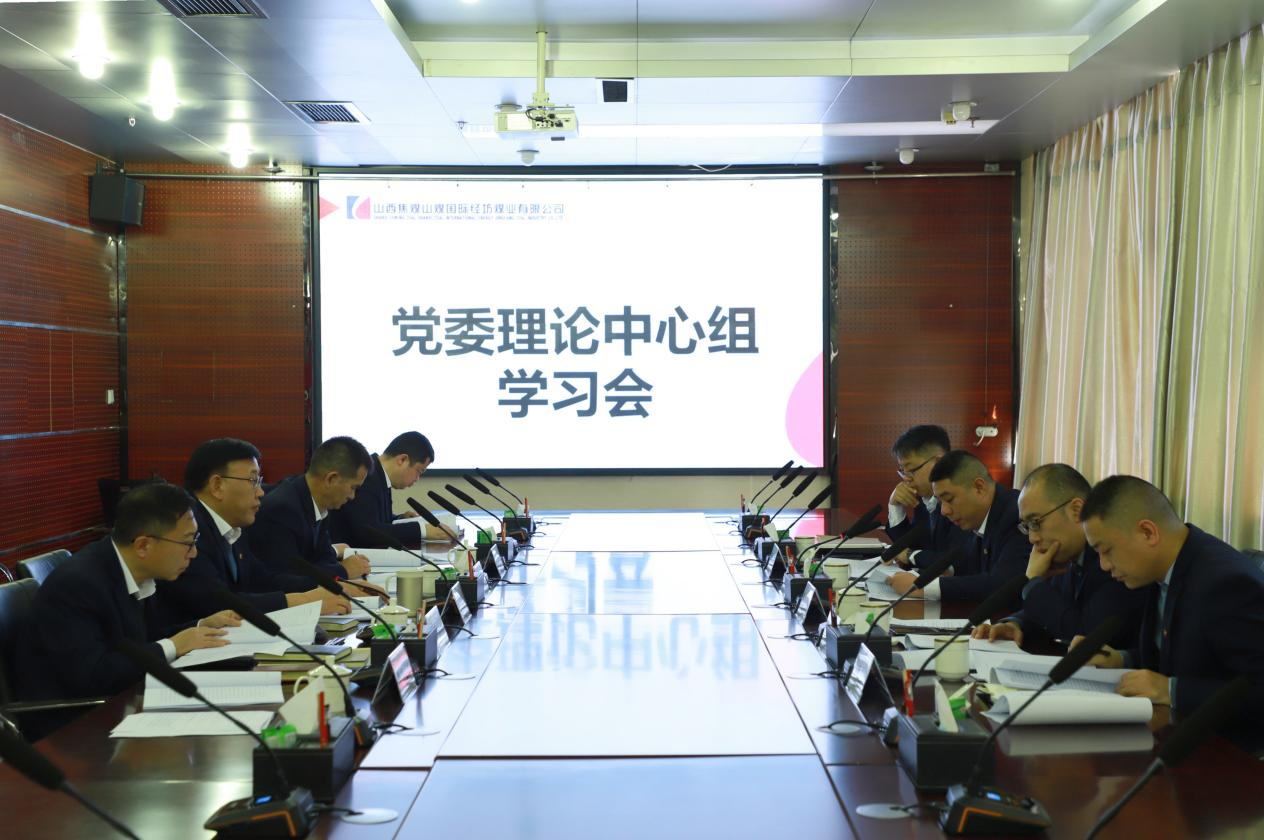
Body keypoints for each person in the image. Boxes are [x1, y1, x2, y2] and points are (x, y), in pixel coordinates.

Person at [16, 483, 238, 736]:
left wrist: (198, 628)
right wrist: (174, 645)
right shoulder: (78, 585)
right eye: (188, 542)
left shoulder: (133, 570)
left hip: (121, 703)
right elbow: (92, 677)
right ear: (143, 545)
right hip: (74, 726)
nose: (194, 553)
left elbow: (142, 640)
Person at [1074, 475, 1264, 752]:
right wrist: (1122, 659)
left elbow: (1258, 687)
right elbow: (1193, 657)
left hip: (1229, 754)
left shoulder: (1224, 583)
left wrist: (1171, 690)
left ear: (1148, 533)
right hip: (1178, 735)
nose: (1103, 565)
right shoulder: (1161, 569)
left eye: (1107, 551)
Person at [153, 438, 352, 630]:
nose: (261, 492)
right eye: (253, 480)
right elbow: (215, 602)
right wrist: (304, 600)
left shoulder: (232, 528)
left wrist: (330, 587)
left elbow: (263, 581)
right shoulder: (187, 531)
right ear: (217, 486)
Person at [972, 464, 1143, 648]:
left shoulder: (1112, 557)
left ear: (1076, 511)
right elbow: (1057, 608)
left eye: (1035, 522)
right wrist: (1016, 624)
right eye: (1027, 526)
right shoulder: (1066, 554)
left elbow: (1083, 635)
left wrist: (1032, 583)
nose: (1032, 538)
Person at [888, 450, 1030, 609]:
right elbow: (962, 565)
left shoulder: (1017, 515)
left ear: (979, 487)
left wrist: (922, 587)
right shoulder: (973, 517)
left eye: (949, 499)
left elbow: (1002, 584)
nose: (944, 511)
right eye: (940, 502)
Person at [247, 436, 377, 588]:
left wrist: (340, 568)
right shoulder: (282, 509)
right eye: (353, 487)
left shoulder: (317, 502)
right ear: (331, 479)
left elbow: (323, 559)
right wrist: (343, 571)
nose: (352, 496)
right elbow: (286, 579)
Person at [328, 431, 435, 548]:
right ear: (402, 460)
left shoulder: (380, 475)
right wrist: (422, 530)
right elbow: (368, 531)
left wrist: (399, 518)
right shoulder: (368, 476)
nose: (417, 479)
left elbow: (373, 519)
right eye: (419, 471)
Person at [885, 425, 960, 567]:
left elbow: (955, 562)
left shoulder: (959, 499)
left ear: (938, 463)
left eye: (911, 470)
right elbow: (911, 548)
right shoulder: (924, 498)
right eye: (903, 471)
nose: (906, 479)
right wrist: (895, 506)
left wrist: (909, 555)